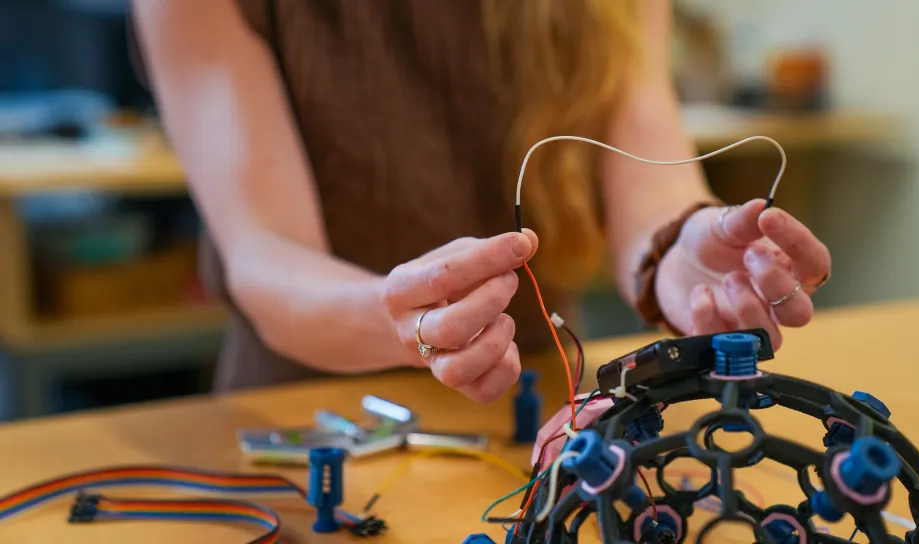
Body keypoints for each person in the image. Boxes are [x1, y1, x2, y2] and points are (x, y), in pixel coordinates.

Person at [129, 0, 831, 402]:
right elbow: (262, 253)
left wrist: (680, 246)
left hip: (538, 401)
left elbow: (646, 161)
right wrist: (400, 320)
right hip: (305, 409)